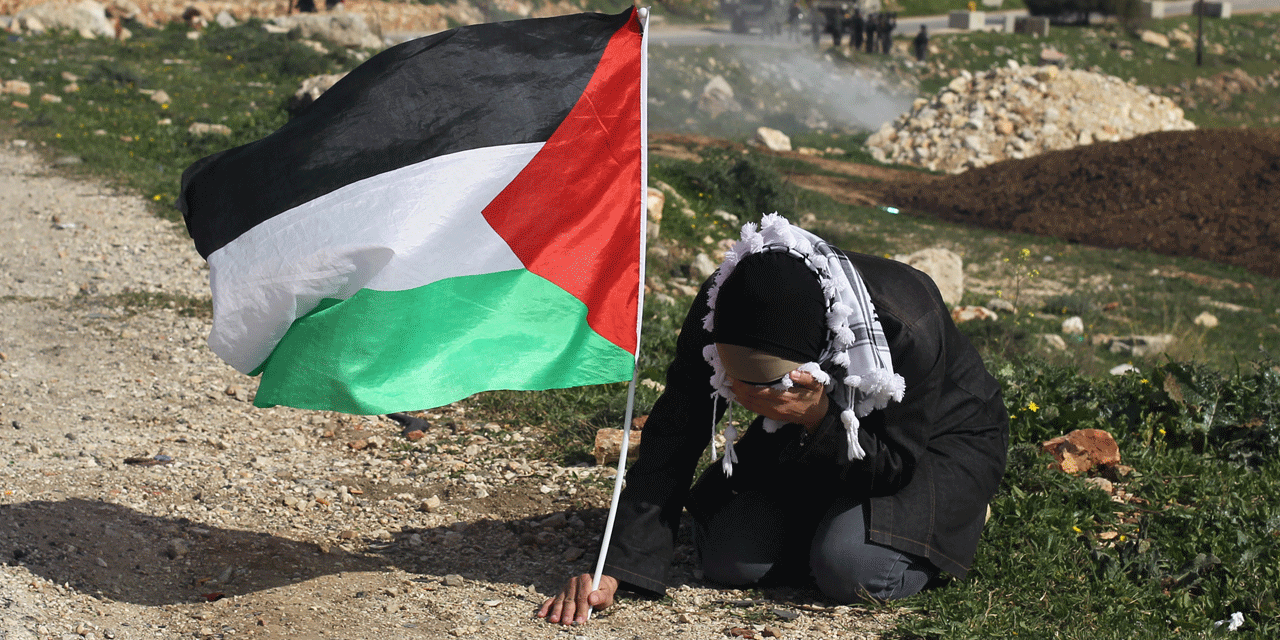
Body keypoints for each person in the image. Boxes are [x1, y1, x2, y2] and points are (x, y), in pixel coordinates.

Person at [539, 214, 1009, 625]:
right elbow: (676, 428)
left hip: (926, 443)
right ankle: (838, 523)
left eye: (766, 385)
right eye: (737, 384)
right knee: (730, 560)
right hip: (803, 425)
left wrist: (820, 416)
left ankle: (951, 515)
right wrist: (618, 563)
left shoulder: (906, 318)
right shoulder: (725, 303)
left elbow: (893, 462)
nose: (748, 397)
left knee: (853, 571)